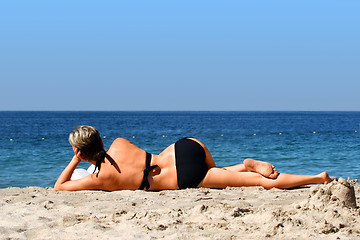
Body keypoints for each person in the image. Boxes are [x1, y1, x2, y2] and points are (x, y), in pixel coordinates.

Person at [54, 126, 331, 191]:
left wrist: (77, 161)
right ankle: (246, 164)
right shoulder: (118, 143)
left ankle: (319, 178)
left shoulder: (100, 179)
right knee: (224, 173)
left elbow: (59, 187)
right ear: (101, 140)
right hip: (184, 147)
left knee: (262, 184)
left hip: (185, 178)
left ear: (80, 150)